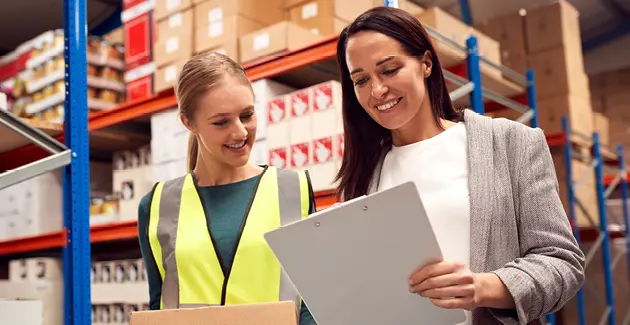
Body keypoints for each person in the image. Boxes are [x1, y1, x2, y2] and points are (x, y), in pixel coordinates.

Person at [334, 6, 585, 325]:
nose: (377, 91)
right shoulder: (365, 172)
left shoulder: (509, 143)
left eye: (389, 70)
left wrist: (484, 287)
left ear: (425, 64)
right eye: (361, 80)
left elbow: (562, 263)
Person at [136, 51, 318, 325]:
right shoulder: (157, 205)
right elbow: (158, 306)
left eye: (247, 115)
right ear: (188, 122)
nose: (241, 132)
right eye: (221, 122)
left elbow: (312, 299)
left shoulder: (293, 190)